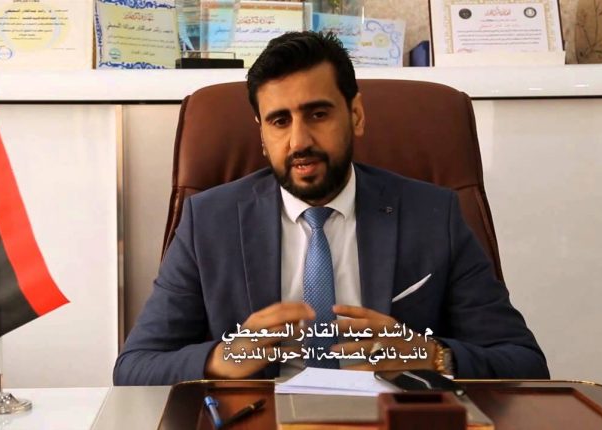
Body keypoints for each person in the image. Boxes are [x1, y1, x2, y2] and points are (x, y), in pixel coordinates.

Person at [114, 31, 549, 385]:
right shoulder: (208, 222)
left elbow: (524, 362)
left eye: (318, 114)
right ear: (262, 135)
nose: (299, 141)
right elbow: (134, 366)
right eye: (279, 121)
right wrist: (221, 357)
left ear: (356, 115)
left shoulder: (435, 215)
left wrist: (430, 354)